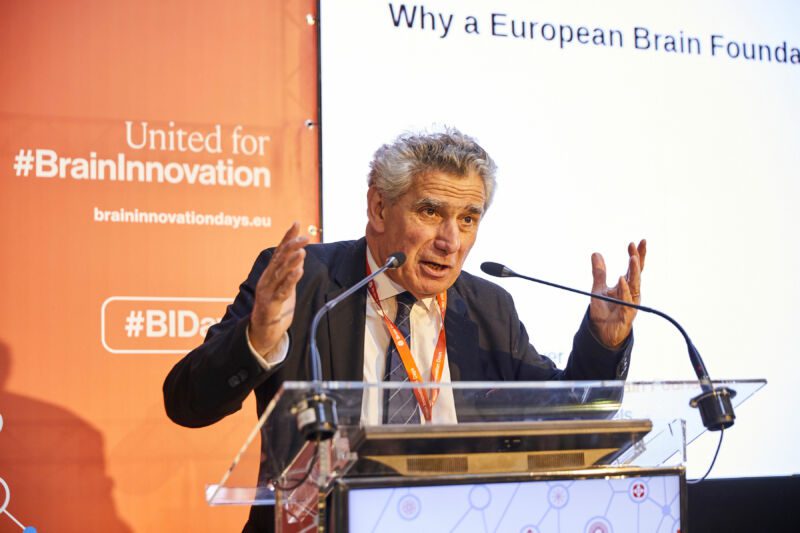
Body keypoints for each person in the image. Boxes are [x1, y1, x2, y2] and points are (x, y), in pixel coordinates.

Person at [163, 128, 646, 531]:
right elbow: (187, 402)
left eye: (468, 219)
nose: (450, 241)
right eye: (430, 212)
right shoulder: (305, 282)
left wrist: (603, 344)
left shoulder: (487, 307)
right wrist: (259, 339)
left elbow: (568, 416)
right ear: (378, 208)